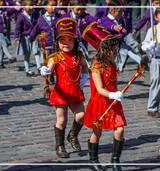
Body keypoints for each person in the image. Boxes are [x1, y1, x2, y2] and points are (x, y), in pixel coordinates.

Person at [40, 17, 89, 158]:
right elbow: (49, 68)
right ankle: (60, 146)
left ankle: (72, 135)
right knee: (62, 120)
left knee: (81, 116)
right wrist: (46, 71)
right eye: (63, 40)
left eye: (70, 40)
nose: (66, 43)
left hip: (75, 91)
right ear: (57, 42)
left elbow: (85, 67)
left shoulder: (79, 56)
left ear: (75, 42)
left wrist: (85, 77)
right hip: (61, 92)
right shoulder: (55, 57)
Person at [82, 22, 125, 171]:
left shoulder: (112, 63)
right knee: (97, 132)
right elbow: (100, 89)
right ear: (103, 50)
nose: (115, 52)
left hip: (113, 103)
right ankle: (93, 160)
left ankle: (115, 161)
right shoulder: (96, 67)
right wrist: (113, 94)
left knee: (119, 129)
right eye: (112, 50)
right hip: (100, 103)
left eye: (115, 49)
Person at [30, 0, 59, 81]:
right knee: (48, 62)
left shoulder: (58, 17)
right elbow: (36, 29)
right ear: (45, 7)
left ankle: (58, 74)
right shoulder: (41, 19)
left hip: (57, 45)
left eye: (55, 5)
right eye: (52, 6)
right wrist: (31, 37)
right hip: (46, 45)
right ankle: (51, 75)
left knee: (57, 61)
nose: (54, 8)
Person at [15, 0, 39, 76]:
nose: (31, 7)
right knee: (27, 54)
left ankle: (39, 67)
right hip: (25, 38)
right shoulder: (21, 17)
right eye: (29, 5)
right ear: (24, 7)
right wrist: (17, 38)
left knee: (36, 51)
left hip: (34, 36)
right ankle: (27, 70)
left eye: (32, 5)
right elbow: (17, 28)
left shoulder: (34, 14)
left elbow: (37, 24)